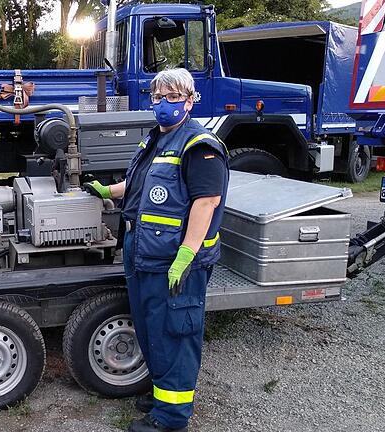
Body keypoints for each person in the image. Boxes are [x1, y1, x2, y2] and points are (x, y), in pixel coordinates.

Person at [84, 68, 229, 432]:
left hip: (174, 262)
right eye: (159, 97)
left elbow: (206, 203)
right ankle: (160, 392)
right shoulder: (154, 140)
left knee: (175, 335)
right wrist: (108, 191)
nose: (164, 104)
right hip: (143, 252)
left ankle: (171, 418)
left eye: (173, 97)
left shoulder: (200, 146)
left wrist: (186, 255)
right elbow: (139, 185)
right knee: (152, 330)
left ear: (190, 100)